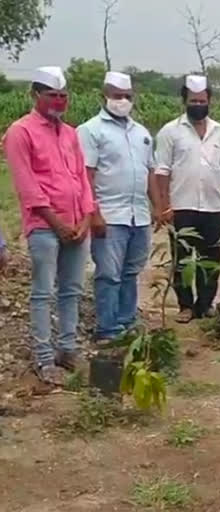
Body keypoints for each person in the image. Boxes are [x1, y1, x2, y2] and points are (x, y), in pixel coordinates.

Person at [2, 67, 94, 385]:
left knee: (72, 290)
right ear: (35, 95)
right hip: (44, 226)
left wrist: (84, 219)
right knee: (43, 293)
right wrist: (56, 223)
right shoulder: (20, 132)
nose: (58, 101)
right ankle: (44, 359)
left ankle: (67, 349)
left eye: (63, 96)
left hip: (76, 224)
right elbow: (28, 185)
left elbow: (81, 179)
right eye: (51, 95)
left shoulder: (70, 133)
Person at [77, 71, 160, 343]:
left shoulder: (141, 133)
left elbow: (149, 172)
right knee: (109, 274)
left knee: (131, 271)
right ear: (104, 96)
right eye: (116, 95)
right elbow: (85, 175)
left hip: (139, 216)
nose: (122, 100)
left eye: (127, 96)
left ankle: (126, 322)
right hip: (110, 216)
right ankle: (107, 329)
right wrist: (94, 213)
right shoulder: (91, 130)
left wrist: (158, 207)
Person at [155, 75, 220, 323]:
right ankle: (185, 306)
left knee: (210, 258)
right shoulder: (170, 131)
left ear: (209, 100)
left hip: (213, 207)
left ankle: (205, 304)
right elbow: (162, 171)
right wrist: (163, 206)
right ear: (184, 101)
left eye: (202, 100)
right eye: (193, 100)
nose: (198, 104)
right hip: (182, 206)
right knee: (182, 258)